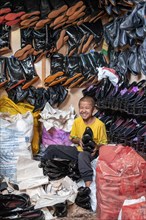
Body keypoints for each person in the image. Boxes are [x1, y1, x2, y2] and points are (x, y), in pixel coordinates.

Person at [41, 96, 107, 187]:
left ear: (93, 110)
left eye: (87, 108)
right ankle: (42, 169)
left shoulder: (100, 125)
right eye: (81, 108)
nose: (84, 110)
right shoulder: (77, 121)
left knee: (82, 155)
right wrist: (78, 140)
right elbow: (72, 138)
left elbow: (104, 143)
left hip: (91, 153)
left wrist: (97, 147)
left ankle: (88, 185)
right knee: (52, 148)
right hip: (78, 150)